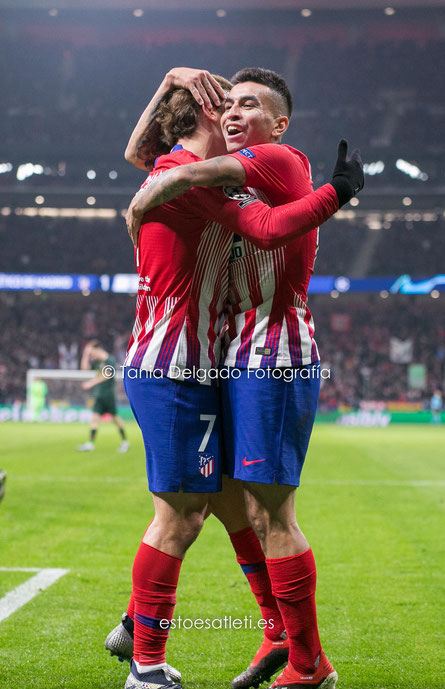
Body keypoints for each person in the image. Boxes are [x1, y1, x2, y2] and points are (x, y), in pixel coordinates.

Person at [123, 67, 364, 689]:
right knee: (229, 508)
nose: (232, 113)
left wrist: (337, 191)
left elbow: (267, 226)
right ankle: (273, 637)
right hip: (209, 359)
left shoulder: (279, 160)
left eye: (246, 105)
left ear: (278, 123)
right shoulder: (220, 184)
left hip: (270, 354)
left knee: (260, 513)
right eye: (224, 105)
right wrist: (169, 82)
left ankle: (304, 661)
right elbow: (145, 154)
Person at [77, 341, 129, 453]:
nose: (92, 356)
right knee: (95, 419)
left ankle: (125, 441)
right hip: (99, 395)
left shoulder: (110, 360)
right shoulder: (97, 362)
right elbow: (84, 368)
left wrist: (91, 383)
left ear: (98, 350)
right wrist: (85, 354)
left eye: (92, 353)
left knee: (115, 418)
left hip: (108, 395)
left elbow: (108, 374)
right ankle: (90, 443)